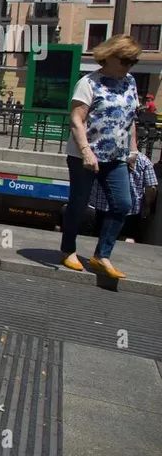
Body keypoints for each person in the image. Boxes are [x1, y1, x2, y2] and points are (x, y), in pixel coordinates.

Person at [60, 34, 142, 279]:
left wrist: (134, 150)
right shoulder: (88, 83)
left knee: (123, 204)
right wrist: (86, 151)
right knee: (79, 203)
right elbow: (77, 119)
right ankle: (68, 249)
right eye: (126, 60)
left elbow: (131, 120)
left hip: (116, 156)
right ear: (110, 56)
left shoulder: (130, 82)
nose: (130, 65)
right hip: (85, 155)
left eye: (133, 61)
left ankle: (101, 255)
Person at [89, 149, 157, 243]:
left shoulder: (104, 155)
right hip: (131, 210)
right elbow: (151, 188)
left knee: (100, 236)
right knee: (127, 239)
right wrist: (147, 205)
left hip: (103, 207)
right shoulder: (144, 160)